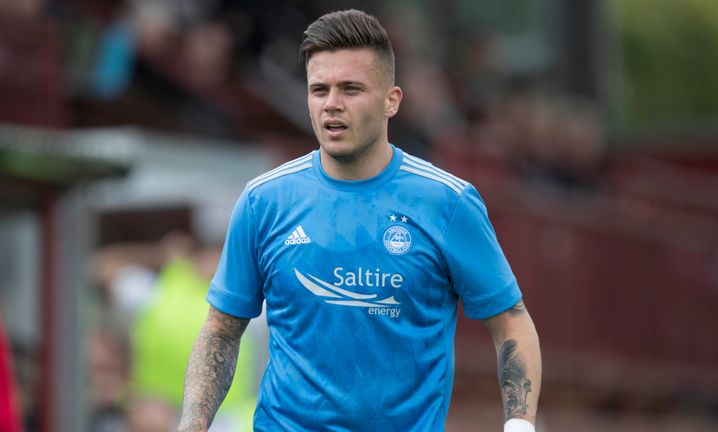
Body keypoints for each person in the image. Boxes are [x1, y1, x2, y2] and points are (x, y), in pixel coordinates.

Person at [178, 9, 541, 432]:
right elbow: (221, 330)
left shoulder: (447, 202)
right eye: (319, 90)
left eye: (351, 89)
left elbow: (511, 320)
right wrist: (192, 425)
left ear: (392, 100)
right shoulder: (264, 200)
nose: (332, 104)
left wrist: (520, 425)